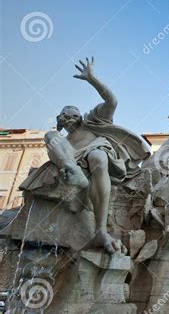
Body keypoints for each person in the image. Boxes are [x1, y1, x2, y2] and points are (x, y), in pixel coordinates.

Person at [20, 58, 150, 254]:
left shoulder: (93, 121)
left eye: (73, 113)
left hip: (97, 154)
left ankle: (100, 230)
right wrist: (67, 162)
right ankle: (71, 169)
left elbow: (112, 101)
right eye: (64, 114)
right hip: (70, 160)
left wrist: (92, 79)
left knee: (98, 156)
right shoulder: (62, 139)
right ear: (59, 121)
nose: (69, 116)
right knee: (50, 136)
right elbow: (54, 139)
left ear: (81, 117)